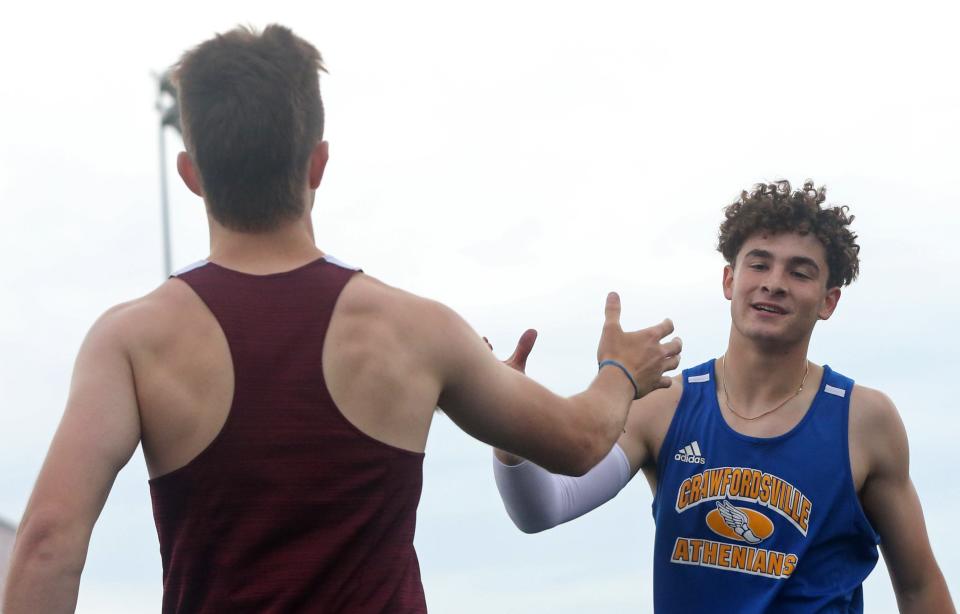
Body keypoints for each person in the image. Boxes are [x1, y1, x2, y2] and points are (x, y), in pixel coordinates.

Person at [1, 25, 683, 614]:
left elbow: (46, 546)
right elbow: (580, 439)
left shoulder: (133, 341)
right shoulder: (415, 330)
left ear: (191, 173)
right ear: (318, 164)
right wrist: (621, 373)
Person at [493, 180, 954, 613]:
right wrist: (508, 429)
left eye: (800, 272)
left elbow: (918, 588)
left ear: (828, 301)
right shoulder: (664, 404)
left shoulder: (864, 420)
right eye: (759, 263)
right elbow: (545, 508)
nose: (774, 281)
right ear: (729, 280)